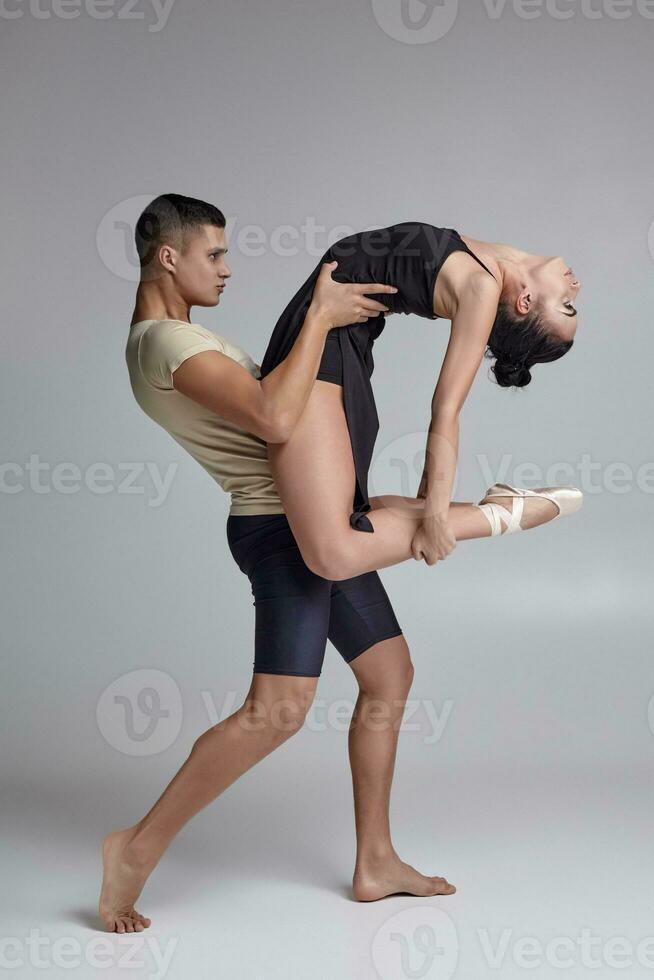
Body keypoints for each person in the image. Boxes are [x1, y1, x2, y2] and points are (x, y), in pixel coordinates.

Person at [102, 196, 580, 933]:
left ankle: (376, 860)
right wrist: (321, 317)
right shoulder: (164, 344)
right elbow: (273, 416)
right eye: (215, 256)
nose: (228, 270)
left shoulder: (180, 339)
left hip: (297, 512)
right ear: (169, 257)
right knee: (278, 712)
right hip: (281, 531)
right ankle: (134, 849)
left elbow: (288, 420)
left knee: (389, 673)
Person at [258, 221, 583, 580]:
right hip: (332, 335)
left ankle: (497, 516)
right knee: (347, 523)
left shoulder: (482, 287)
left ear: (525, 302)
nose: (576, 287)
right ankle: (496, 509)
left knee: (332, 554)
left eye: (567, 305)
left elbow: (446, 409)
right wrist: (429, 501)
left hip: (326, 343)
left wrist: (436, 515)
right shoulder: (489, 260)